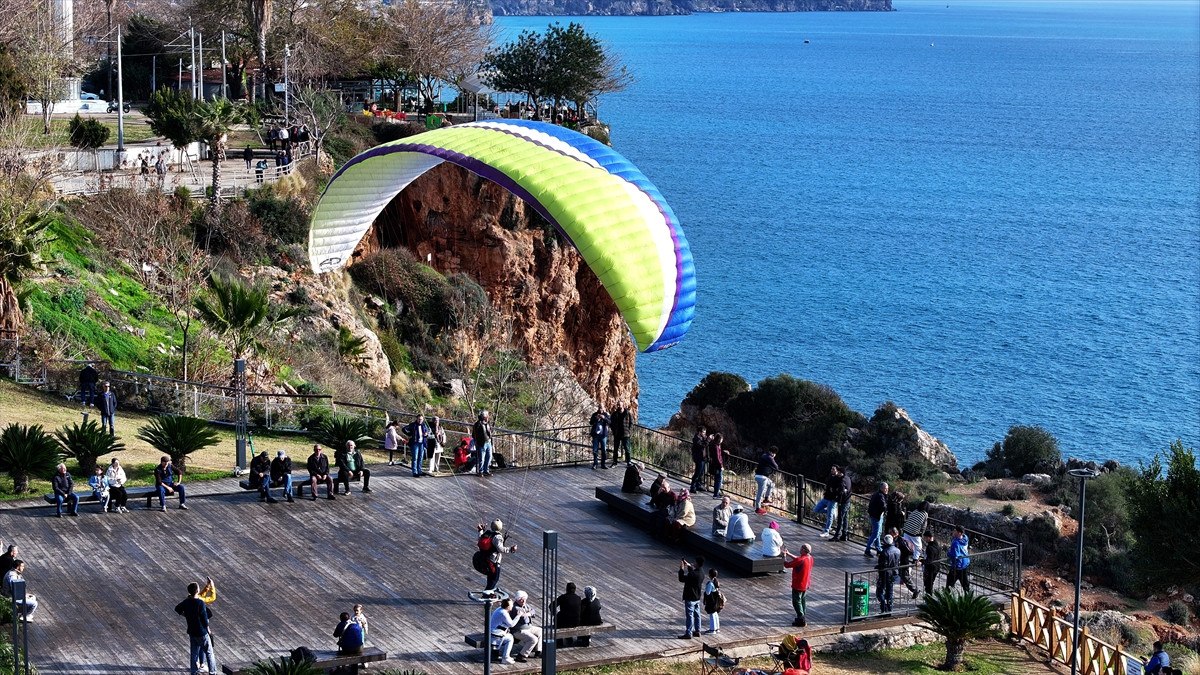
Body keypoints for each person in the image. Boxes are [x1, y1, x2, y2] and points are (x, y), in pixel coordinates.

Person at [175, 581, 216, 675]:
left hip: (192, 631)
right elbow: (204, 619)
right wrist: (208, 630)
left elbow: (177, 608)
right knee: (209, 653)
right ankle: (212, 672)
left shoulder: (186, 602)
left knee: (194, 653)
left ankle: (193, 671)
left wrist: (186, 615)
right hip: (202, 632)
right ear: (197, 590)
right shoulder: (200, 603)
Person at [476, 519, 517, 591]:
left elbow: (480, 538)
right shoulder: (498, 537)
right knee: (494, 579)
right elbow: (500, 549)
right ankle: (487, 595)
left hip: (485, 559)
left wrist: (480, 530)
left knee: (490, 578)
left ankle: (488, 595)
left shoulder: (487, 534)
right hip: (493, 562)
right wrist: (511, 549)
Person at [783, 543, 814, 627]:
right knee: (803, 600)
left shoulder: (800, 560)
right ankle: (803, 615)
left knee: (796, 601)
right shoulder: (810, 558)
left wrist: (784, 556)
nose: (799, 549)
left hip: (798, 584)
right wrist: (789, 554)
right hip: (806, 583)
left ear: (803, 550)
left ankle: (801, 618)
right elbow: (798, 559)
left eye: (801, 548)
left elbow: (787, 565)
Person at [678, 556, 705, 639]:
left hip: (690, 597)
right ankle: (697, 631)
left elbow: (682, 579)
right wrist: (689, 566)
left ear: (697, 563)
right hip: (697, 597)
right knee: (697, 615)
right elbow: (693, 574)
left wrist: (681, 569)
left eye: (695, 562)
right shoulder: (702, 572)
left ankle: (688, 633)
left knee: (689, 615)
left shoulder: (693, 574)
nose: (694, 563)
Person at [510, 590, 541, 661]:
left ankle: (538, 651)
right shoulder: (515, 608)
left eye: (524, 598)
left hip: (528, 627)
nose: (523, 600)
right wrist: (528, 613)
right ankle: (522, 655)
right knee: (533, 639)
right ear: (517, 599)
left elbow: (533, 611)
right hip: (518, 630)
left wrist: (529, 613)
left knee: (540, 631)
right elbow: (524, 617)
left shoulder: (525, 605)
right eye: (521, 599)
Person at [891, 527, 920, 599]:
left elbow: (902, 551)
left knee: (905, 577)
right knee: (901, 576)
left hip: (903, 562)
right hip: (901, 562)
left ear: (895, 533)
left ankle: (915, 590)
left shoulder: (899, 541)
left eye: (892, 533)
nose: (891, 535)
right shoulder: (898, 540)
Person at [814, 465, 841, 538]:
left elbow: (839, 489)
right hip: (826, 498)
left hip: (832, 500)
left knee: (829, 517)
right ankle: (832, 512)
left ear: (837, 470)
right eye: (831, 469)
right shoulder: (830, 476)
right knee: (816, 509)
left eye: (833, 469)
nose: (832, 470)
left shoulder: (838, 478)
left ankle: (826, 531)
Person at [876, 534, 900, 613]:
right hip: (893, 573)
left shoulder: (884, 552)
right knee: (890, 591)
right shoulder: (898, 550)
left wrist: (878, 567)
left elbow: (882, 564)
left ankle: (883, 607)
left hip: (884, 573)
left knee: (880, 591)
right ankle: (889, 609)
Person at [489, 598, 517, 664]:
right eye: (511, 605)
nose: (512, 606)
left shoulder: (499, 609)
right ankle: (505, 658)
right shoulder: (504, 613)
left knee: (509, 636)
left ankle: (504, 656)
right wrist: (518, 616)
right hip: (494, 634)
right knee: (510, 638)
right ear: (508, 607)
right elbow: (511, 624)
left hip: (493, 630)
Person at [865, 482, 889, 557]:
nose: (887, 490)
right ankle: (867, 550)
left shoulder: (877, 494)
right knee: (875, 533)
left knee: (878, 532)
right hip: (876, 516)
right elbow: (883, 506)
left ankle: (879, 549)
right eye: (885, 488)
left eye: (887, 488)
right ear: (882, 488)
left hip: (876, 515)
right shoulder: (880, 496)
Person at [754, 446, 780, 514]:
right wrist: (773, 459)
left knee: (771, 484)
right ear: (773, 453)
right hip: (762, 477)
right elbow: (776, 467)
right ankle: (758, 508)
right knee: (760, 493)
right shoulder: (770, 457)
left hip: (760, 476)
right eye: (775, 454)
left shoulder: (764, 455)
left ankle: (766, 499)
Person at [555, 582, 582, 647]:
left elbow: (552, 605)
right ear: (575, 590)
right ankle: (569, 638)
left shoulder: (563, 597)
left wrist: (555, 614)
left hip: (564, 622)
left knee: (558, 620)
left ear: (566, 589)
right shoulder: (578, 598)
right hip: (576, 622)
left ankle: (559, 641)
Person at [946, 525, 971, 592]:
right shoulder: (965, 538)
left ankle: (947, 599)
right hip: (965, 563)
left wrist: (948, 552)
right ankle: (968, 597)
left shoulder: (955, 543)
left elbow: (954, 556)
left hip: (957, 566)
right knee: (965, 584)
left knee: (949, 584)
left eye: (955, 531)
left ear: (959, 533)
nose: (953, 532)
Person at [832, 467, 853, 541]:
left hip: (843, 502)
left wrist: (838, 501)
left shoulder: (842, 481)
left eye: (839, 472)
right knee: (845, 518)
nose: (837, 474)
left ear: (841, 473)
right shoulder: (848, 478)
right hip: (848, 501)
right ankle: (844, 535)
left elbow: (841, 493)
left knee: (840, 519)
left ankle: (837, 535)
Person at [472, 410, 494, 476]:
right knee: (481, 458)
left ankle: (486, 470)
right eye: (486, 415)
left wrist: (490, 440)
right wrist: (477, 442)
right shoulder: (477, 424)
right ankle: (480, 471)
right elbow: (474, 435)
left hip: (488, 442)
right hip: (481, 443)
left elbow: (489, 433)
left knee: (489, 457)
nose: (487, 417)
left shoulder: (487, 423)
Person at [922, 531, 942, 595]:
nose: (924, 539)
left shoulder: (930, 548)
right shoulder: (937, 545)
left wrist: (921, 561)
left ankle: (929, 599)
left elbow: (929, 560)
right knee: (930, 583)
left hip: (931, 568)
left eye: (925, 537)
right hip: (937, 567)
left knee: (928, 584)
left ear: (929, 537)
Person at [703, 568, 722, 634]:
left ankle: (712, 629)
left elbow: (707, 593)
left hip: (711, 601)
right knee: (715, 613)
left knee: (712, 614)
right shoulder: (716, 582)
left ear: (710, 575)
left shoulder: (710, 583)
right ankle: (717, 628)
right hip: (716, 600)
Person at [689, 427, 708, 492]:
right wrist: (708, 440)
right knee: (697, 472)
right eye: (703, 432)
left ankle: (699, 485)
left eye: (705, 432)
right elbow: (702, 445)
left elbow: (705, 445)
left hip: (703, 458)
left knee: (701, 473)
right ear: (699, 432)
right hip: (698, 458)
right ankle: (693, 486)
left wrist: (706, 439)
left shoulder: (702, 438)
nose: (704, 434)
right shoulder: (696, 439)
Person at [708, 433, 725, 498]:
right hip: (717, 466)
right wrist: (721, 466)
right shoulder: (716, 446)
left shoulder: (713, 444)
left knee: (717, 479)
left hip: (714, 464)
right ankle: (716, 494)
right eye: (721, 439)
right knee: (718, 479)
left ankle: (716, 493)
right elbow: (717, 457)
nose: (722, 440)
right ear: (719, 439)